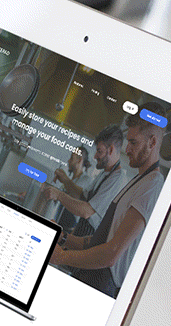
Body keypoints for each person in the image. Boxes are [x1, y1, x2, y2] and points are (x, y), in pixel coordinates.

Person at [51, 115, 165, 297]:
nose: (127, 149)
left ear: (152, 142)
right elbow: (100, 240)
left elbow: (111, 253)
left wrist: (60, 256)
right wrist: (63, 237)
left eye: (133, 143)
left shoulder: (152, 183)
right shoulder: (136, 181)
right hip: (92, 271)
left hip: (102, 281)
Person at [41, 124, 125, 237]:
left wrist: (59, 195)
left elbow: (87, 212)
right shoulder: (105, 173)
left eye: (99, 151)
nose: (95, 156)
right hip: (80, 234)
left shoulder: (117, 178)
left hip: (90, 239)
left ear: (110, 150)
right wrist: (65, 180)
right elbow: (82, 195)